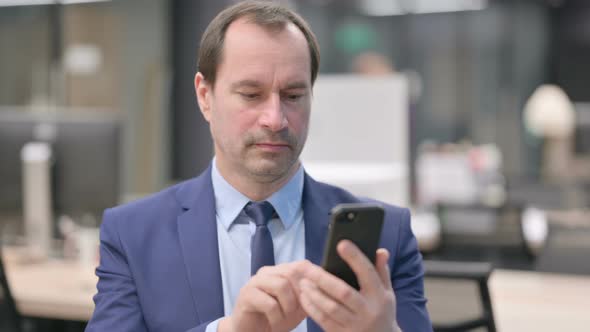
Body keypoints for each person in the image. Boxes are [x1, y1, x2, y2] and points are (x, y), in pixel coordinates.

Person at [86, 1, 431, 331]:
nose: (275, 119)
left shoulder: (387, 236)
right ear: (205, 97)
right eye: (251, 95)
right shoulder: (133, 234)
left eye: (293, 95)